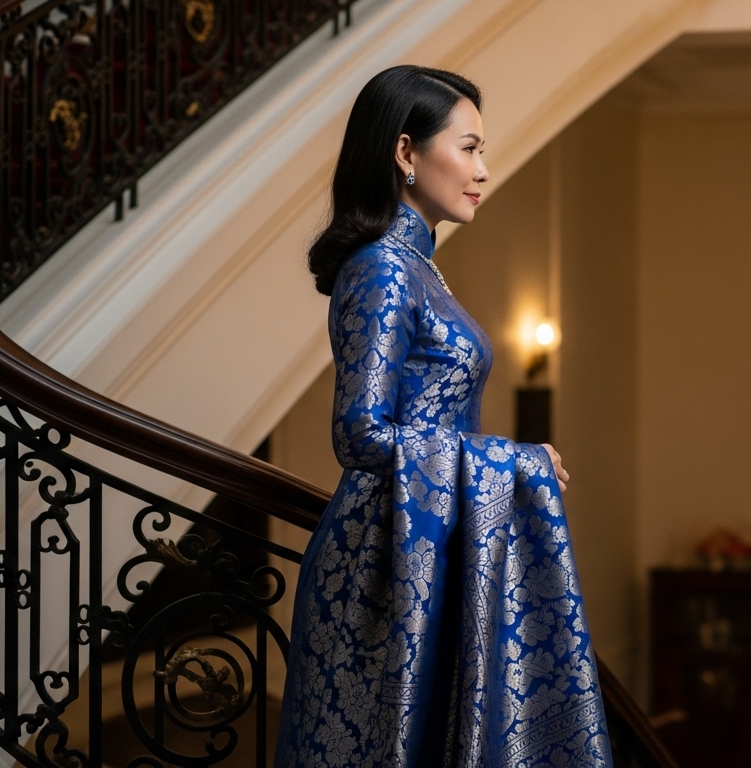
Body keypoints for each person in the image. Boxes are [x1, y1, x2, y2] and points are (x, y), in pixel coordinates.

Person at [275, 65, 612, 768]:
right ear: (406, 152)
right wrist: (513, 459)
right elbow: (359, 434)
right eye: (469, 148)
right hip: (384, 569)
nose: (483, 170)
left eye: (483, 151)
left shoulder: (418, 266)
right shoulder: (383, 267)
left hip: (423, 546)